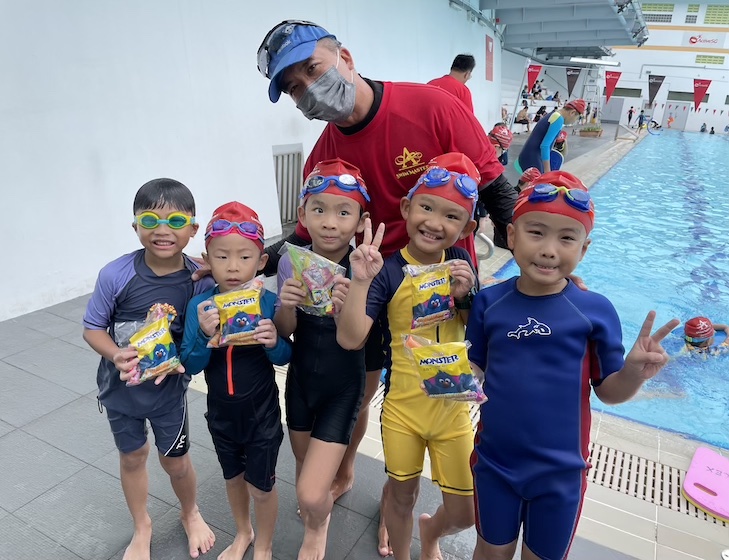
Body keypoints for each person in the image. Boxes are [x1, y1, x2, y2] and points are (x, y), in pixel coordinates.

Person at [256, 22, 518, 554]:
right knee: (375, 392)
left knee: (429, 391)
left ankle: (400, 508)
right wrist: (241, 264)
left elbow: (495, 190)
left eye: (313, 70)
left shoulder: (432, 107)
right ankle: (359, 476)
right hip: (375, 286)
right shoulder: (323, 153)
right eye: (294, 88)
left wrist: (546, 272)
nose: (308, 90)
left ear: (345, 56)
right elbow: (303, 236)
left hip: (439, 291)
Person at [466, 170, 679, 560]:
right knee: (490, 553)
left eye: (566, 238)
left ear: (584, 249)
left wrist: (633, 372)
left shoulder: (594, 311)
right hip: (495, 462)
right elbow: (476, 371)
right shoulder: (488, 302)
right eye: (536, 232)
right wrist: (447, 375)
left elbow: (609, 392)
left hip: (561, 474)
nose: (549, 249)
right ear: (511, 236)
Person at [337, 152, 480, 560]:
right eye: (427, 207)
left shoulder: (462, 264)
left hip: (454, 412)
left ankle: (430, 532)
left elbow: (477, 334)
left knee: (466, 512)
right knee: (403, 495)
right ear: (406, 207)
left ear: (467, 227)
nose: (435, 222)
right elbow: (351, 339)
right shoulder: (387, 270)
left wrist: (466, 297)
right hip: (403, 408)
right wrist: (360, 281)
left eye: (451, 216)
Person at [82, 178, 216, 560]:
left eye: (175, 221)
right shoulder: (116, 275)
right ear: (135, 225)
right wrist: (115, 354)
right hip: (120, 390)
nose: (162, 230)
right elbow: (93, 328)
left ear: (192, 228)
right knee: (132, 456)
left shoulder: (197, 280)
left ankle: (190, 512)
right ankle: (142, 525)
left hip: (169, 393)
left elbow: (202, 330)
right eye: (150, 219)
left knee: (176, 462)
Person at [181, 202, 291, 560]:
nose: (232, 266)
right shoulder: (200, 308)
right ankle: (243, 533)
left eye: (244, 257)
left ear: (261, 262)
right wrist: (203, 336)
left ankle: (264, 545)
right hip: (221, 415)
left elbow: (286, 356)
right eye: (222, 256)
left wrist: (274, 341)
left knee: (261, 487)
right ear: (207, 259)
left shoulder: (268, 301)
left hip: (261, 415)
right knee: (233, 479)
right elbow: (191, 366)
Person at [274, 159, 369, 559]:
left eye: (343, 212)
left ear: (360, 221)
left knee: (313, 493)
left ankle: (319, 524)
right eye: (319, 210)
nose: (330, 222)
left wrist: (356, 293)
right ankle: (315, 515)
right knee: (301, 463)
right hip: (300, 380)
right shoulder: (288, 259)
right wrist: (286, 304)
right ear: (302, 215)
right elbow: (283, 332)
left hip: (344, 386)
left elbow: (354, 340)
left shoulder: (365, 266)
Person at [516, 99, 585, 174]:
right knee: (540, 184)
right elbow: (545, 146)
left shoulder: (555, 114)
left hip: (529, 155)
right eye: (577, 118)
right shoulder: (559, 119)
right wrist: (547, 171)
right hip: (533, 157)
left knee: (530, 184)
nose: (575, 121)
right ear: (572, 112)